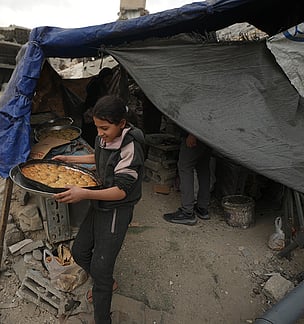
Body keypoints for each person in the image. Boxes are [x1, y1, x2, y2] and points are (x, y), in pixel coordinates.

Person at [53, 95, 145, 323]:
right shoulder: (106, 137)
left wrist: (83, 193)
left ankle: (102, 315)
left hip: (117, 209)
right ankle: (106, 282)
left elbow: (121, 191)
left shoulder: (131, 146)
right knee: (80, 252)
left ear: (122, 123)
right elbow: (101, 158)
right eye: (97, 127)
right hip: (100, 202)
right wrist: (70, 159)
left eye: (105, 128)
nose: (100, 133)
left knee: (101, 268)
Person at [163, 132, 211, 225]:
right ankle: (202, 208)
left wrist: (193, 134)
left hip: (195, 133)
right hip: (208, 135)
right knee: (203, 168)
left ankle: (187, 212)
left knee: (185, 167)